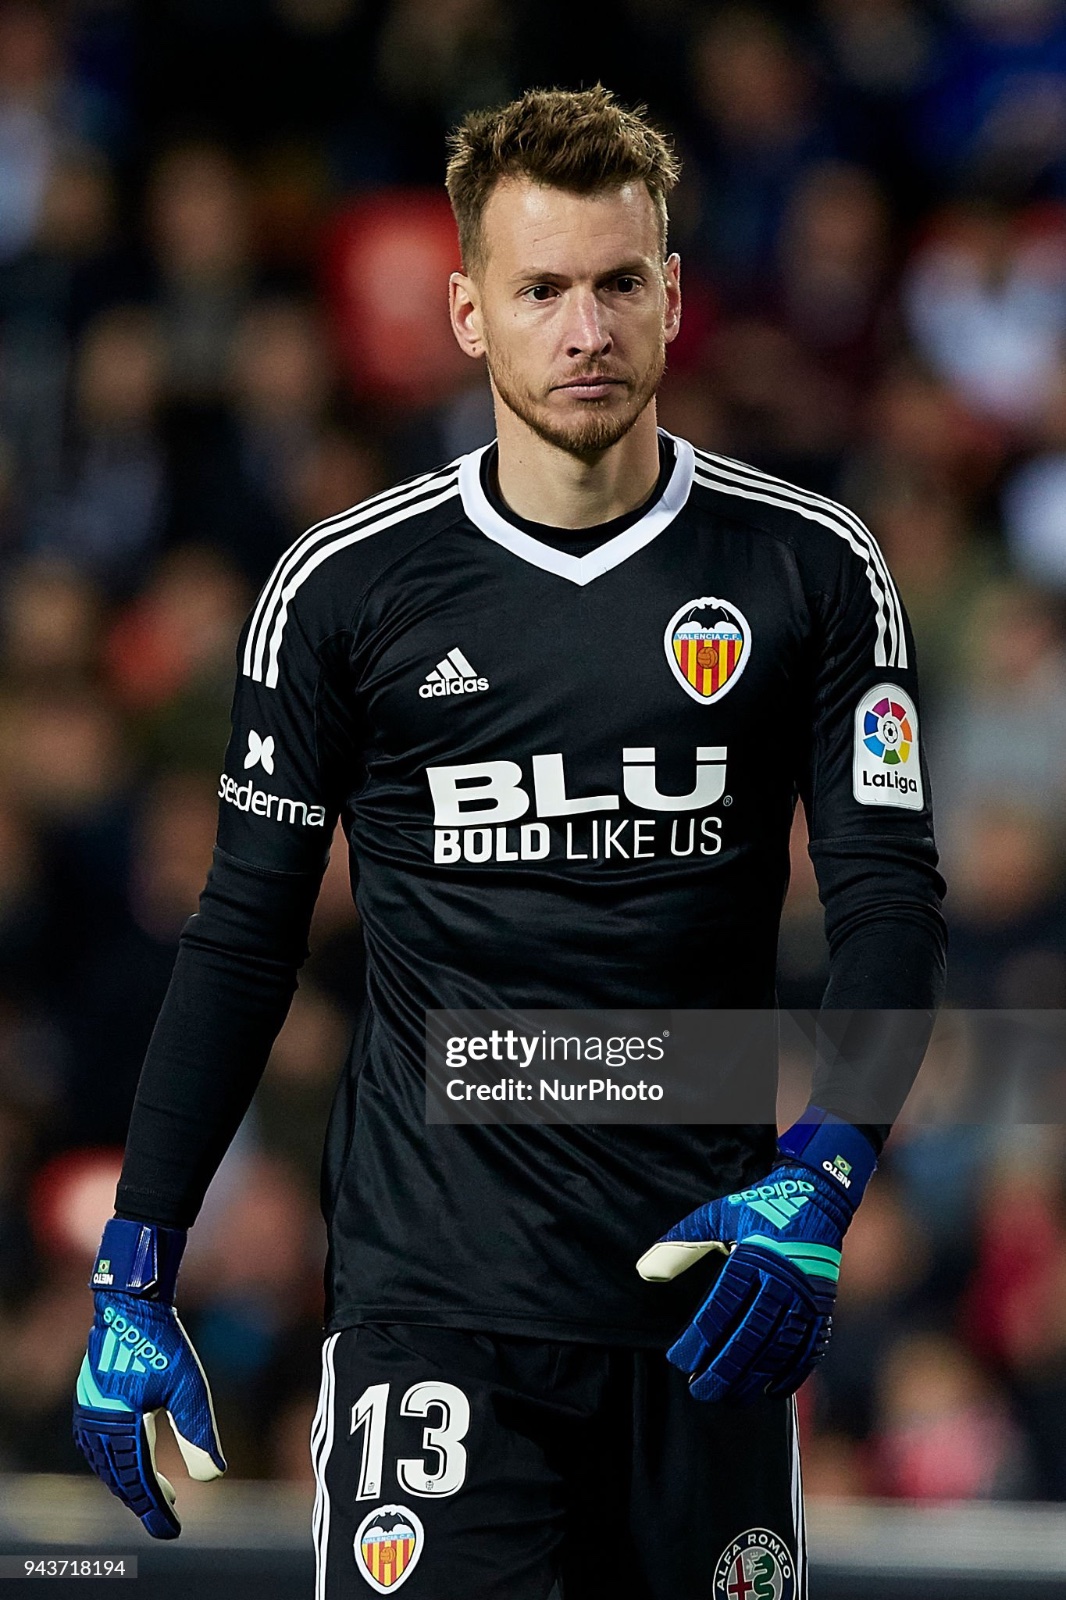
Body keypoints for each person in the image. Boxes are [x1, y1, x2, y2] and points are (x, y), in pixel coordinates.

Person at [72, 87, 945, 1600]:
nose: (584, 327)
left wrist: (828, 1172)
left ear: (674, 296)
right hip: (438, 1310)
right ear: (469, 312)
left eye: (618, 283)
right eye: (542, 289)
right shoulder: (344, 591)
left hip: (710, 1299)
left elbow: (891, 907)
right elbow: (242, 936)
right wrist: (137, 1260)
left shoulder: (809, 567)